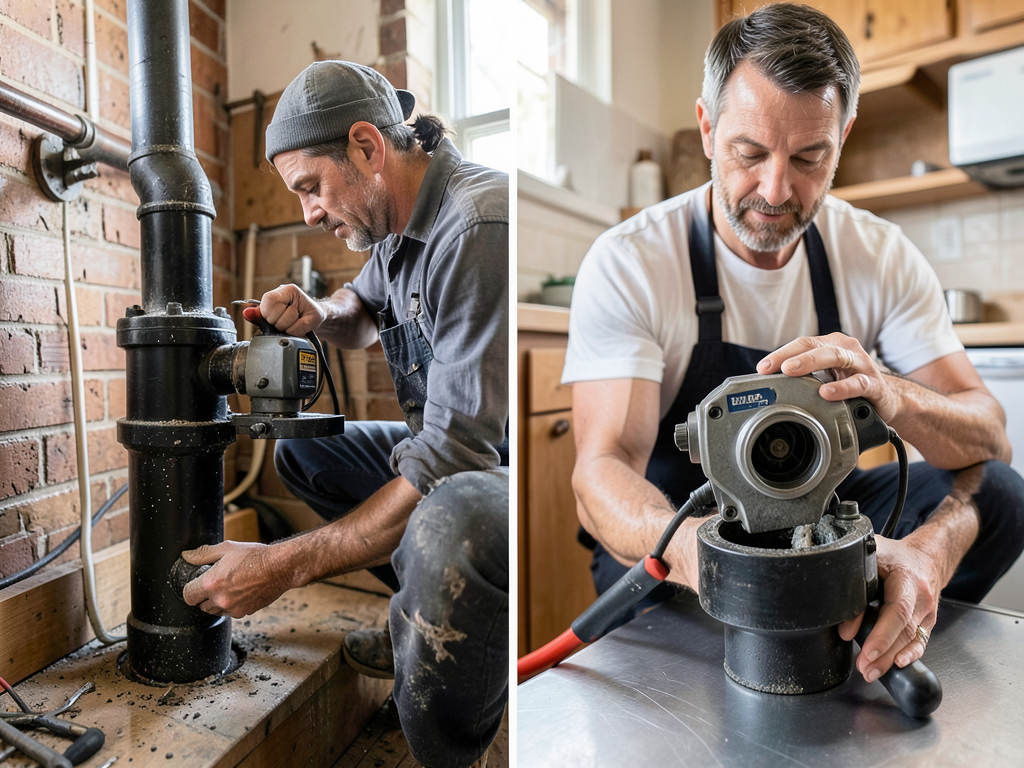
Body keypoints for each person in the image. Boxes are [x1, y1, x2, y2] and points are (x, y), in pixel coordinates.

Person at [565, 2, 1024, 689]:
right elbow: (599, 472)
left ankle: (890, 612)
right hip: (684, 534)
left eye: (811, 157)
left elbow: (990, 433)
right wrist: (714, 561)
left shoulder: (879, 254)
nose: (776, 189)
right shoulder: (631, 261)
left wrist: (893, 400)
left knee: (1001, 494)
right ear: (707, 128)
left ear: (843, 137)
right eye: (749, 153)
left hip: (823, 515)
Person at [181, 61, 508, 768]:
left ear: (366, 146)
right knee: (308, 451)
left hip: (501, 482)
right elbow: (361, 310)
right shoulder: (392, 220)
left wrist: (280, 565)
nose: (308, 213)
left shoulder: (477, 225)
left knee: (451, 519)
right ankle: (428, 615)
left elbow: (449, 465)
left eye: (310, 187)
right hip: (452, 463)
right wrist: (319, 312)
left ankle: (453, 730)